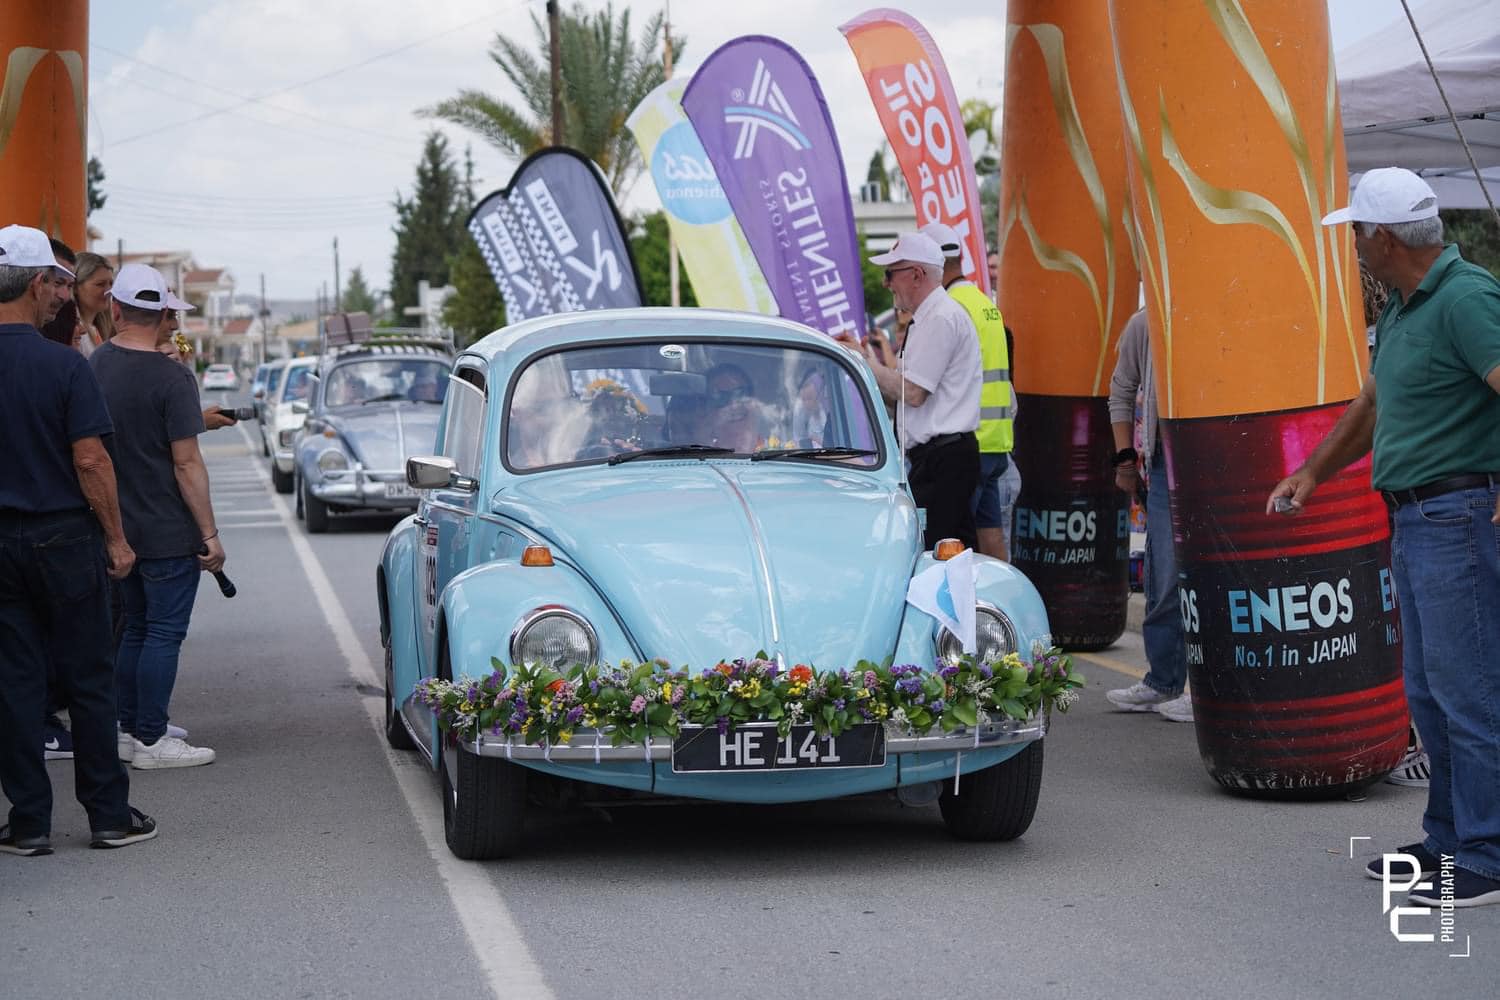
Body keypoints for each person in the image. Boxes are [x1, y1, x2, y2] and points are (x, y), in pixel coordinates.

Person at [1268, 167, 1500, 908]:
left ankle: (1487, 856)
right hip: (1420, 520)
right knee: (1429, 693)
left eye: (1359, 235)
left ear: (1386, 238)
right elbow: (1373, 404)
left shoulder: (1465, 298)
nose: (1355, 249)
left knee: (1469, 693)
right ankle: (1448, 840)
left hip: (1457, 519)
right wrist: (1312, 474)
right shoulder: (1405, 307)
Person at [0, 224, 157, 855]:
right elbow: (91, 460)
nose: (60, 299)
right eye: (56, 287)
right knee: (91, 676)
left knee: (14, 681)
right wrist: (118, 539)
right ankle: (108, 815)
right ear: (38, 283)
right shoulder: (64, 363)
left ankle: (30, 823)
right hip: (63, 536)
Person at [91, 263, 225, 770]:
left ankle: (131, 728)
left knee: (137, 629)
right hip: (167, 526)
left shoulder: (95, 365)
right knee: (163, 632)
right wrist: (209, 533)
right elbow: (186, 462)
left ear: (116, 308)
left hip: (118, 524)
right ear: (164, 312)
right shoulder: (172, 377)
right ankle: (151, 738)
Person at [857, 232, 982, 550]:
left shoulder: (939, 318)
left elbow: (912, 393)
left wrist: (865, 365)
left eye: (890, 274)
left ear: (916, 274)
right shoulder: (932, 318)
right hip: (941, 456)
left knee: (938, 555)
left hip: (944, 458)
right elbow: (905, 394)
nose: (886, 284)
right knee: (947, 552)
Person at [1104, 309, 1191, 722]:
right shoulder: (1144, 322)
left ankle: (1207, 688)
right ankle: (1164, 680)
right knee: (1162, 576)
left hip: (1217, 459)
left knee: (1213, 578)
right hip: (1164, 460)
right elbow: (1121, 390)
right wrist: (1125, 461)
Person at [922, 223, 1016, 560]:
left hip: (968, 442)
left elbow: (929, 381)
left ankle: (966, 611)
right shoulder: (982, 303)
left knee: (955, 545)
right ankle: (998, 602)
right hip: (996, 442)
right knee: (992, 540)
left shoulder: (949, 308)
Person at [702, 363, 760, 452]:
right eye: (720, 397)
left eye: (740, 394)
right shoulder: (696, 454)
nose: (732, 404)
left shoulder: (774, 453)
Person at [73, 252, 115, 357]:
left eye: (111, 283)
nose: (109, 291)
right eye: (100, 284)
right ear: (75, 287)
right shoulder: (73, 330)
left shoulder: (98, 328)